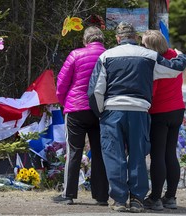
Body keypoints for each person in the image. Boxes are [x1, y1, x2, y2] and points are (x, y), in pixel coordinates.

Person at [88, 22, 186, 213]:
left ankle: (119, 200)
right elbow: (175, 68)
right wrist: (181, 55)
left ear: (117, 38)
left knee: (114, 156)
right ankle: (137, 200)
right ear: (135, 38)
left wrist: (102, 113)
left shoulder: (105, 56)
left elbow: (95, 90)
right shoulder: (149, 55)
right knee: (138, 156)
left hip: (112, 111)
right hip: (139, 111)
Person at [52, 26, 109, 205]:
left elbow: (62, 83)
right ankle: (101, 196)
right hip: (100, 109)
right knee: (99, 153)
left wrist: (65, 102)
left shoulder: (76, 54)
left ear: (85, 41)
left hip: (76, 109)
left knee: (74, 151)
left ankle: (68, 195)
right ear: (101, 40)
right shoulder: (109, 55)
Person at [141, 30, 185, 211]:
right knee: (170, 154)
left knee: (157, 155)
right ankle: (171, 197)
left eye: (144, 44)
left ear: (151, 46)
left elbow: (152, 90)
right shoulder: (175, 56)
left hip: (159, 112)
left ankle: (155, 198)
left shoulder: (155, 62)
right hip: (177, 110)